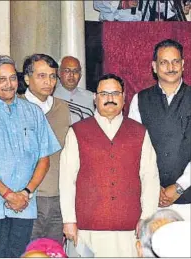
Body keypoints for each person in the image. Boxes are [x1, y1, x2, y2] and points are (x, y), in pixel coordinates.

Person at [0, 55, 61, 257]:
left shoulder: (33, 113)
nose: (9, 84)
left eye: (12, 78)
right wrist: (8, 194)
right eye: (2, 79)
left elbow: (44, 158)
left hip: (24, 206)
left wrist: (25, 193)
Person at [59, 74, 160, 257]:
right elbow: (67, 180)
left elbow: (150, 177)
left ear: (123, 98)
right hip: (88, 227)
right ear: (95, 98)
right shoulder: (78, 132)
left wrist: (147, 219)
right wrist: (69, 220)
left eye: (115, 93)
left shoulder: (139, 132)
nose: (110, 99)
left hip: (130, 228)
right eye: (104, 93)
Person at [129, 39, 191, 221]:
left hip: (188, 199)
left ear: (183, 64)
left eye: (175, 61)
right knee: (151, 248)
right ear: (154, 67)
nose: (170, 67)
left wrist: (179, 186)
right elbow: (134, 150)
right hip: (151, 197)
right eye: (164, 62)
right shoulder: (140, 100)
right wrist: (153, 186)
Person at [20, 54, 71, 244]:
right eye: (42, 76)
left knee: (55, 252)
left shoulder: (62, 108)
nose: (48, 82)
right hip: (28, 200)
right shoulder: (16, 108)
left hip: (58, 198)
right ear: (27, 78)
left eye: (52, 76)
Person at [53, 56, 94, 124]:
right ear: (59, 73)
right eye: (67, 70)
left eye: (75, 71)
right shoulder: (51, 96)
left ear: (80, 75)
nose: (71, 75)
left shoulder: (90, 97)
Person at [94, 0, 176, 21]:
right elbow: (97, 3)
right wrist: (122, 4)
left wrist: (176, 8)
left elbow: (158, 7)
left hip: (140, 30)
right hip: (115, 29)